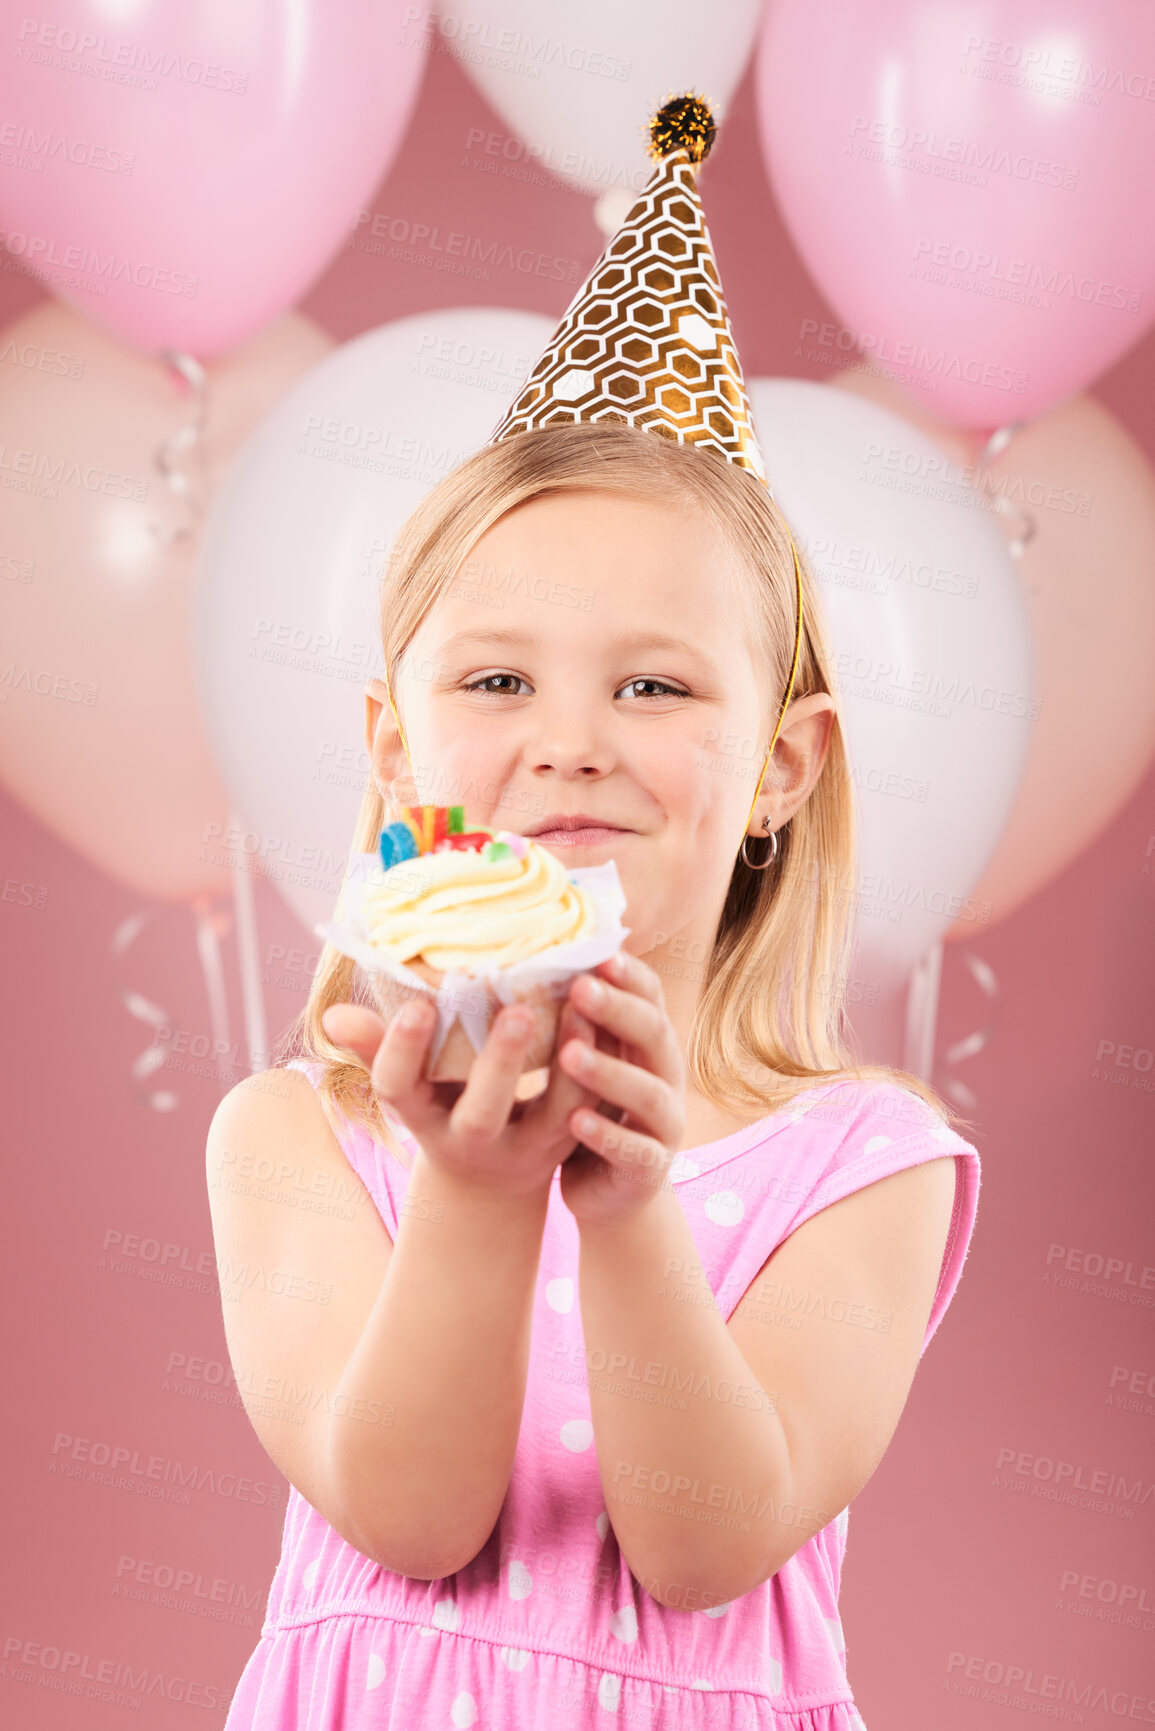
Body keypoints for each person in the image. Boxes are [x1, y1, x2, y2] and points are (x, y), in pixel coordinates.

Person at [207, 97, 981, 1731]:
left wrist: (626, 1204)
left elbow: (706, 1549)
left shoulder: (867, 1163)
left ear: (780, 767)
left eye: (652, 682)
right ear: (395, 745)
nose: (570, 738)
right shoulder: (299, 1135)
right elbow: (411, 1519)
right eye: (497, 678)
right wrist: (479, 1197)